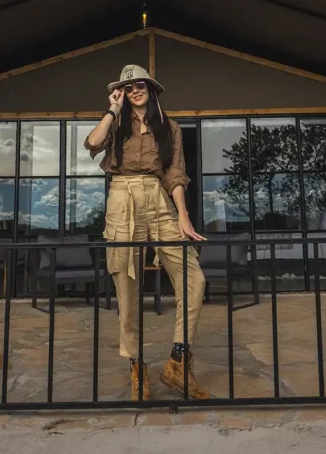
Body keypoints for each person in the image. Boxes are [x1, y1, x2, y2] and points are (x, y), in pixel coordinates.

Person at [84, 64, 209, 401]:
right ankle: (137, 367)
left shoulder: (169, 128)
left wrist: (183, 216)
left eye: (140, 85)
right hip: (122, 199)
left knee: (193, 279)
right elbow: (92, 143)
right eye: (128, 86)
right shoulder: (116, 123)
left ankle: (178, 363)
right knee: (127, 288)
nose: (134, 89)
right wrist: (113, 108)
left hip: (159, 197)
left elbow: (175, 174)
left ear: (151, 90)